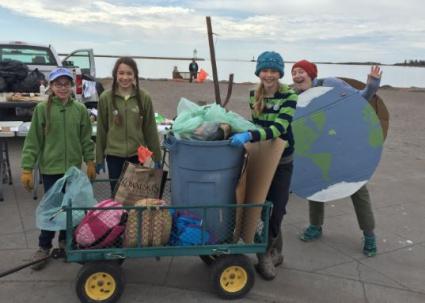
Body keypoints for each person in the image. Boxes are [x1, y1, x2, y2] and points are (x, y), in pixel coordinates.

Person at [291, 59, 383, 257]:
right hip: (318, 146)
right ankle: (315, 226)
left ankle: (369, 235)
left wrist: (372, 85)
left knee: (357, 188)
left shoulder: (332, 84)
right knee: (312, 183)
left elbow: (359, 100)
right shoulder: (295, 95)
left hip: (343, 146)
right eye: (294, 73)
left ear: (311, 74)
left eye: (301, 72)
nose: (297, 76)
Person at [230, 51, 298, 280]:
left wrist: (249, 135)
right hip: (262, 158)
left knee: (277, 207)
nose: (269, 75)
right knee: (259, 205)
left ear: (280, 73)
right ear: (259, 72)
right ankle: (269, 251)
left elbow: (278, 129)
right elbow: (257, 123)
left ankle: (267, 254)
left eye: (273, 70)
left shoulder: (289, 96)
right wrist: (239, 129)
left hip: (282, 161)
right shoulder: (254, 95)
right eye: (265, 70)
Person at [20, 67, 95, 270]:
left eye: (66, 84)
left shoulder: (79, 110)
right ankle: (43, 247)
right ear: (50, 86)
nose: (62, 88)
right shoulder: (42, 110)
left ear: (72, 87)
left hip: (72, 170)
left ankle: (65, 243)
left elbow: (86, 139)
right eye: (58, 84)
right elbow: (33, 141)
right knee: (52, 209)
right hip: (50, 169)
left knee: (70, 209)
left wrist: (90, 161)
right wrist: (27, 168)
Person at [95, 57, 162, 193]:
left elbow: (150, 129)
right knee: (117, 195)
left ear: (135, 75)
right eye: (121, 73)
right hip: (114, 156)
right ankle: (119, 215)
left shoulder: (144, 98)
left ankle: (133, 215)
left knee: (135, 196)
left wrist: (157, 156)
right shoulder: (105, 98)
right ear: (115, 74)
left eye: (129, 73)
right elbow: (101, 130)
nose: (125, 77)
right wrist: (99, 157)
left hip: (137, 156)